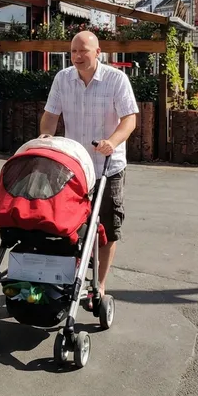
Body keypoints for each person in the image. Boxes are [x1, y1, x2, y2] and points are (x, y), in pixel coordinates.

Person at [38, 30, 138, 300]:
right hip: (73, 166)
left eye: (83, 51)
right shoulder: (62, 78)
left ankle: (99, 285)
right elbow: (50, 115)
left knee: (107, 227)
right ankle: (66, 277)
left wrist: (112, 142)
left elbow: (129, 119)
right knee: (67, 223)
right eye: (73, 51)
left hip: (108, 166)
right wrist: (46, 136)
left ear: (98, 53)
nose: (77, 56)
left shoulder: (116, 79)